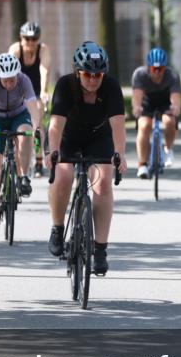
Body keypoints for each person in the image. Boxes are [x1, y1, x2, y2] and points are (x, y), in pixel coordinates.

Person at [46, 42, 128, 275]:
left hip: (98, 137)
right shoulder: (65, 85)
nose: (93, 80)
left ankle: (100, 250)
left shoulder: (111, 88)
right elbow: (55, 126)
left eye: (98, 74)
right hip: (68, 137)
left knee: (102, 183)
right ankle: (57, 228)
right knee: (63, 175)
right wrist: (52, 152)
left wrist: (120, 154)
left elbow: (118, 126)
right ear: (77, 72)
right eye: (87, 74)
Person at [0, 53, 42, 227]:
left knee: (26, 133)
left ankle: (23, 177)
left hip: (18, 115)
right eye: (5, 80)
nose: (8, 83)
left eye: (12, 80)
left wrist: (36, 126)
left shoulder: (24, 80)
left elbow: (32, 106)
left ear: (17, 75)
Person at [9, 22, 54, 176]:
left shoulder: (43, 50)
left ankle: (39, 161)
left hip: (35, 91)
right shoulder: (15, 50)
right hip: (17, 90)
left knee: (37, 122)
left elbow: (44, 70)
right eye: (27, 38)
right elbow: (10, 71)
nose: (30, 42)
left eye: (34, 38)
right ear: (21, 38)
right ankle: (13, 155)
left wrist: (43, 91)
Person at [131, 47, 181, 178]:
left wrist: (176, 107)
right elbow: (137, 96)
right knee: (144, 126)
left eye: (161, 69)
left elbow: (176, 97)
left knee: (169, 121)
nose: (158, 72)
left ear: (165, 68)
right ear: (149, 68)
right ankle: (142, 164)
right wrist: (136, 108)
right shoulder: (140, 74)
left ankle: (168, 149)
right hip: (147, 103)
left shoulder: (172, 75)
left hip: (165, 103)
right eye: (154, 69)